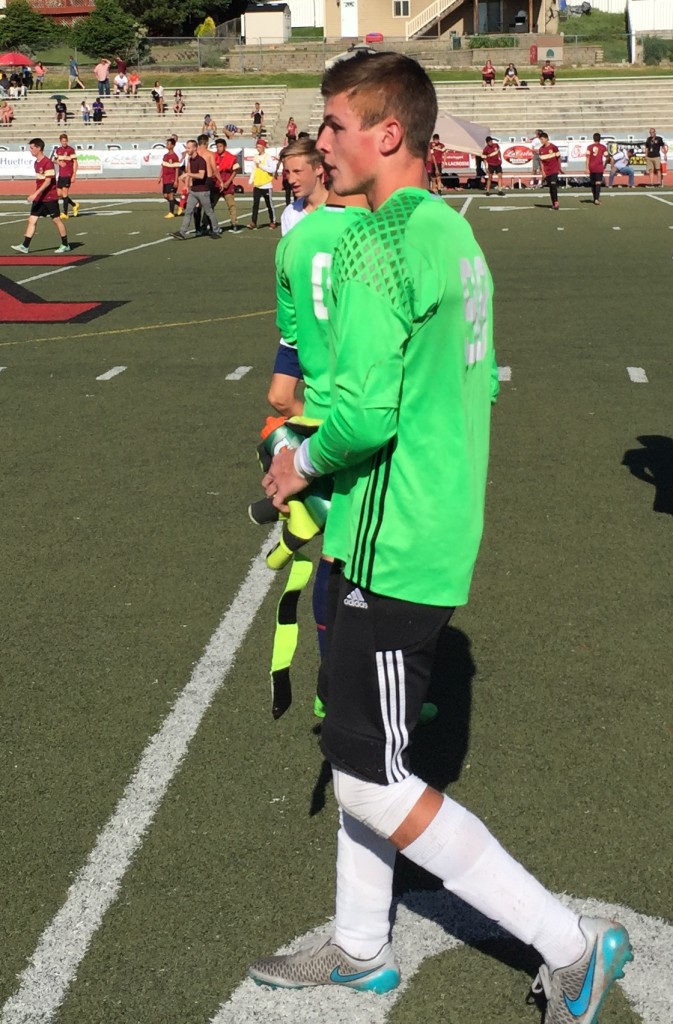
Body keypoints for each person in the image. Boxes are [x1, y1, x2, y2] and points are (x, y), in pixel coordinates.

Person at [248, 52, 633, 1023]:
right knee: (360, 758)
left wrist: (296, 461)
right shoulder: (448, 235)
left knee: (373, 780)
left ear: (387, 133)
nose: (317, 144)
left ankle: (571, 946)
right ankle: (363, 945)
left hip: (395, 540)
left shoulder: (379, 241)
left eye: (333, 124)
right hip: (427, 519)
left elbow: (367, 415)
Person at [11, 137, 71, 255]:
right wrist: (37, 195)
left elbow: (48, 181)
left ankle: (65, 244)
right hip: (40, 198)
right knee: (32, 220)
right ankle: (25, 246)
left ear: (39, 148)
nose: (30, 150)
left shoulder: (47, 163)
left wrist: (35, 194)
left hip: (49, 197)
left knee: (56, 220)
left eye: (32, 148)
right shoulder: (36, 162)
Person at [170, 138, 221, 240]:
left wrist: (188, 174)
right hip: (194, 191)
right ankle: (182, 232)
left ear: (194, 148)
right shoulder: (190, 160)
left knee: (209, 211)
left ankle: (216, 230)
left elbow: (201, 175)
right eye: (186, 147)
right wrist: (187, 186)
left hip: (203, 191)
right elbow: (189, 173)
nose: (187, 150)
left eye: (189, 148)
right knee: (188, 211)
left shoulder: (201, 161)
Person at [278, 136, 329, 236]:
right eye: (287, 172)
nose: (291, 180)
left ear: (319, 168)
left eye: (297, 171)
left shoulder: (343, 211)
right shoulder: (290, 214)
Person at [213, 137, 242, 231]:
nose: (218, 148)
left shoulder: (231, 157)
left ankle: (234, 223)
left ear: (225, 146)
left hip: (227, 186)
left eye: (220, 146)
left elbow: (235, 171)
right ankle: (206, 224)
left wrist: (228, 182)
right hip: (216, 185)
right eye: (217, 146)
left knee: (231, 205)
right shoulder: (214, 156)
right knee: (210, 206)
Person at [248, 138, 277, 229]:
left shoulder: (268, 157)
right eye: (257, 147)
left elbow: (272, 169)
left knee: (269, 204)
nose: (258, 148)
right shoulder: (255, 157)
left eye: (260, 147)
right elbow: (254, 169)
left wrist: (261, 165)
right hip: (257, 185)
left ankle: (272, 221)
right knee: (255, 204)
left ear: (264, 147)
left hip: (266, 185)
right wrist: (251, 180)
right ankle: (253, 222)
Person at [53, 132, 79, 218]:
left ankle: (65, 213)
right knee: (59, 193)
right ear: (60, 141)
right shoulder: (58, 150)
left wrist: (74, 174)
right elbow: (54, 160)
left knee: (64, 194)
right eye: (63, 141)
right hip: (61, 175)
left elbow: (75, 162)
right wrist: (59, 163)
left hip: (68, 174)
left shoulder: (70, 150)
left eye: (66, 141)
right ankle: (74, 205)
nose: (64, 143)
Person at [538, 130, 562, 210]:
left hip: (554, 170)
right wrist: (543, 172)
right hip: (547, 171)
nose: (541, 141)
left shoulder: (553, 147)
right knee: (551, 187)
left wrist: (559, 167)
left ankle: (556, 202)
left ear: (546, 139)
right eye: (540, 139)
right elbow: (541, 162)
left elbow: (558, 157)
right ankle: (554, 202)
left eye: (542, 139)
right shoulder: (541, 150)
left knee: (553, 184)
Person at [159, 136, 181, 218]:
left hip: (171, 179)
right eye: (166, 143)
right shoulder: (165, 156)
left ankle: (171, 213)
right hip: (165, 179)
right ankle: (179, 205)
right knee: (165, 196)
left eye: (168, 144)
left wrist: (176, 180)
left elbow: (177, 169)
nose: (166, 145)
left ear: (172, 145)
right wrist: (160, 176)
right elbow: (163, 166)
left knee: (171, 195)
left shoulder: (175, 156)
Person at [585, 132, 608, 205]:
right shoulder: (603, 147)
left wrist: (587, 168)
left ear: (593, 139)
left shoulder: (589, 147)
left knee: (593, 183)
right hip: (599, 166)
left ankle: (594, 198)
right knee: (598, 183)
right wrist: (605, 165)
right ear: (600, 139)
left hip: (591, 166)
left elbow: (587, 158)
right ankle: (596, 199)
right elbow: (607, 157)